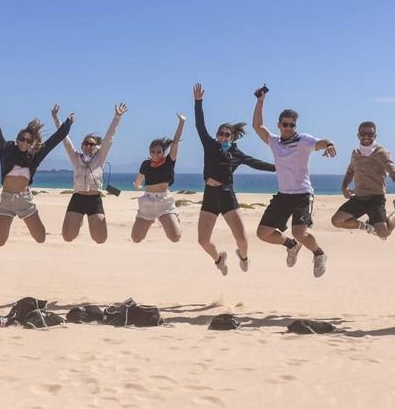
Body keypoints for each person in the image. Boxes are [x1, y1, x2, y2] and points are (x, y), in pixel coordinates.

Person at [252, 86, 336, 277]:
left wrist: (329, 144)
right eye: (285, 124)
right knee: (263, 233)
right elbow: (257, 126)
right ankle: (290, 245)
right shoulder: (274, 142)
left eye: (292, 125)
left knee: (300, 232)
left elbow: (321, 142)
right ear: (279, 125)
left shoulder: (304, 141)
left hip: (302, 195)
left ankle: (319, 254)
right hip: (283, 195)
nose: (289, 128)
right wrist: (260, 101)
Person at [192, 83, 275, 275]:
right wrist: (198, 102)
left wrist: (277, 168)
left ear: (231, 137)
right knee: (203, 241)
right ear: (217, 135)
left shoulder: (236, 154)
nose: (222, 136)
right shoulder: (209, 145)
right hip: (210, 196)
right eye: (220, 133)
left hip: (227, 196)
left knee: (243, 241)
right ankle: (219, 259)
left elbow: (255, 163)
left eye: (226, 134)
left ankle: (243, 256)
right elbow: (199, 125)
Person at [0, 91, 73, 246]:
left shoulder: (35, 156)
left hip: (24, 200)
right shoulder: (6, 150)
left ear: (32, 143)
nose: (24, 142)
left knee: (40, 238)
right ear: (17, 139)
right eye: (22, 139)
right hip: (6, 199)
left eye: (28, 140)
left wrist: (67, 124)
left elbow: (55, 140)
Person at [51, 102, 128, 244]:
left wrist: (117, 117)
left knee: (100, 239)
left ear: (96, 146)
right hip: (78, 198)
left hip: (94, 200)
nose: (88, 146)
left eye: (91, 144)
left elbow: (109, 138)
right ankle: (78, 221)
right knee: (68, 237)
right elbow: (65, 140)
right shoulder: (76, 157)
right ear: (82, 145)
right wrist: (56, 119)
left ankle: (83, 220)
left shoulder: (100, 157)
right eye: (85, 143)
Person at [331, 121, 395, 239]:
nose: (366, 136)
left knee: (384, 233)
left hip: (376, 198)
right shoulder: (355, 153)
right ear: (358, 136)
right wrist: (344, 187)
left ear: (375, 136)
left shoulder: (381, 152)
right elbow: (350, 171)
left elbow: (394, 173)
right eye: (363, 133)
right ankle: (369, 227)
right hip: (359, 198)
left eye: (370, 134)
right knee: (337, 221)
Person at [131, 114, 187, 243]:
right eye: (152, 151)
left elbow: (176, 141)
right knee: (136, 238)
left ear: (163, 152)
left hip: (164, 202)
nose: (155, 154)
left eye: (158, 151)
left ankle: (174, 218)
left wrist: (181, 123)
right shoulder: (145, 164)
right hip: (147, 201)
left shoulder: (169, 161)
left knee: (175, 238)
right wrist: (137, 185)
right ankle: (150, 220)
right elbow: (138, 180)